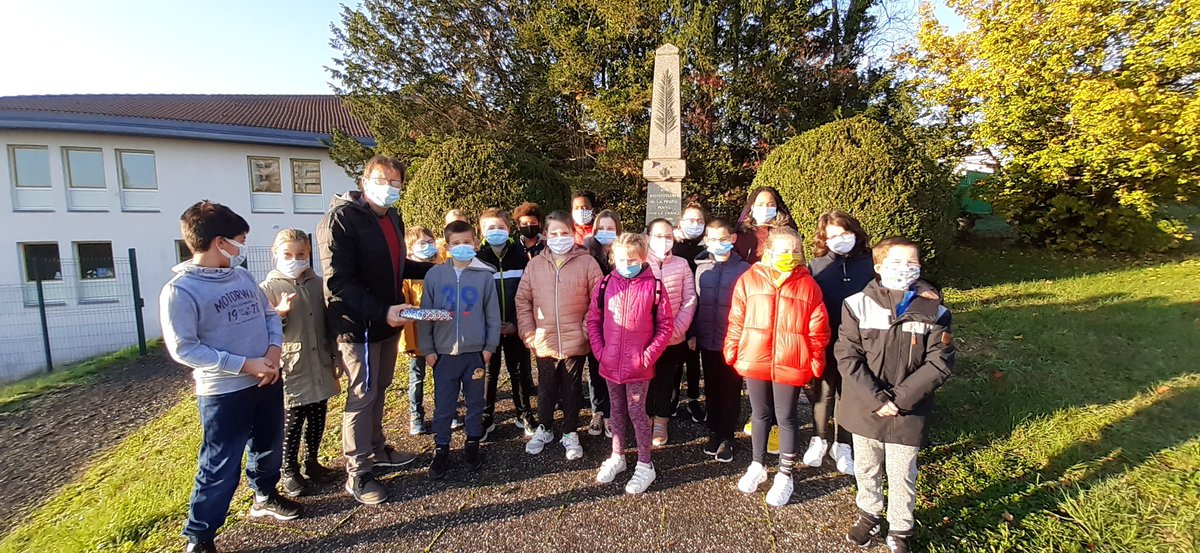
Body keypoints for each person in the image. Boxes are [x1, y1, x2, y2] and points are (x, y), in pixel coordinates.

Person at [161, 201, 300, 553]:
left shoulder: (241, 276)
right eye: (240, 239)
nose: (242, 246)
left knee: (269, 448)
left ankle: (265, 496)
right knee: (220, 465)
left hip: (267, 379)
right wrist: (244, 365)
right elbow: (184, 348)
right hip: (224, 392)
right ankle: (200, 536)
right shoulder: (180, 290)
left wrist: (271, 352)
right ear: (220, 242)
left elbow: (269, 316)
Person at [316, 155, 431, 505]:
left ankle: (377, 448)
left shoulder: (392, 216)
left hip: (388, 320)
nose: (389, 188)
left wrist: (438, 269)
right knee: (362, 395)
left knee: (380, 388)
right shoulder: (340, 220)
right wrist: (381, 311)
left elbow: (396, 266)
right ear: (364, 181)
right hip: (358, 325)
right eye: (382, 180)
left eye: (396, 183)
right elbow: (338, 282)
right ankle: (358, 472)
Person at [838, 237, 954, 553]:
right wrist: (878, 398)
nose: (904, 268)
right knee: (866, 466)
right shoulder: (856, 305)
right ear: (878, 267)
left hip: (908, 410)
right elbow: (848, 356)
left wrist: (900, 399)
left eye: (911, 262)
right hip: (866, 407)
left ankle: (901, 529)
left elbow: (939, 362)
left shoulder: (935, 312)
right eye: (896, 262)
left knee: (902, 473)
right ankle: (869, 515)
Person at [726, 227, 830, 507]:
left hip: (791, 360)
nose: (788, 255)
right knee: (758, 414)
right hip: (756, 357)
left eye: (794, 251)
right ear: (768, 250)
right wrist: (732, 349)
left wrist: (815, 358)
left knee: (786, 417)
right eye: (782, 250)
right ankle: (757, 465)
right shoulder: (749, 279)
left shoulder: (808, 285)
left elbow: (818, 328)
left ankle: (785, 473)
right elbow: (737, 317)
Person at [586, 233, 674, 494]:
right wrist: (601, 352)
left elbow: (665, 325)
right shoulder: (604, 285)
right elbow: (593, 321)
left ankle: (645, 464)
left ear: (643, 258)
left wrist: (646, 356)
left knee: (637, 414)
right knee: (616, 412)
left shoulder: (654, 287)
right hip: (610, 363)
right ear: (613, 258)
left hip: (638, 367)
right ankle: (618, 456)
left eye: (633, 259)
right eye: (622, 259)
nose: (627, 263)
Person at [516, 211, 604, 460]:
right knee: (546, 388)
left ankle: (569, 432)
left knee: (572, 389)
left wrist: (586, 330)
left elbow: (598, 300)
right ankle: (544, 428)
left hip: (575, 340)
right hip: (544, 341)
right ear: (546, 235)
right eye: (553, 233)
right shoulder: (535, 264)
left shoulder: (587, 263)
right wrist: (529, 333)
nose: (559, 238)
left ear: (572, 233)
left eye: (564, 233)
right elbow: (523, 300)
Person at [259, 229, 340, 498]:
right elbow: (261, 331)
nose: (295, 259)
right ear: (276, 256)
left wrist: (335, 354)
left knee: (318, 416)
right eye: (288, 255)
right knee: (293, 421)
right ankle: (288, 469)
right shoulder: (268, 289)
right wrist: (279, 313)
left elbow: (328, 322)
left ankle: (312, 461)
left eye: (301, 254)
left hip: (318, 361)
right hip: (291, 365)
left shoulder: (317, 283)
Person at [417, 220, 501, 479]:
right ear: (447, 246)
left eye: (467, 242)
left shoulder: (485, 276)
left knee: (476, 402)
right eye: (456, 244)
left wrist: (489, 347)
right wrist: (428, 349)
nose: (462, 247)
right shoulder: (434, 275)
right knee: (444, 405)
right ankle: (441, 449)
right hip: (442, 355)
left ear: (475, 243)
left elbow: (492, 315)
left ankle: (473, 443)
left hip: (474, 353)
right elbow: (425, 315)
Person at [803, 211, 873, 475]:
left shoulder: (870, 264)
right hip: (827, 338)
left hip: (860, 341)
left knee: (849, 392)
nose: (839, 239)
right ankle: (818, 438)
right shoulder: (817, 266)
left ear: (854, 232)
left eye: (844, 233)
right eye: (832, 235)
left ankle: (842, 444)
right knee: (824, 390)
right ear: (824, 239)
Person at [693, 218, 751, 463]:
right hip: (707, 338)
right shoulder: (702, 268)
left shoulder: (745, 270)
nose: (717, 244)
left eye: (723, 239)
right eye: (712, 239)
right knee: (712, 387)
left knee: (730, 388)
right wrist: (694, 334)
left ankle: (727, 436)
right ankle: (714, 430)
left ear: (732, 240)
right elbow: (696, 303)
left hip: (732, 340)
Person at [476, 208, 536, 437]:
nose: (496, 231)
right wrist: (489, 325)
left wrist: (515, 323)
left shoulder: (520, 256)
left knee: (519, 371)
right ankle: (486, 417)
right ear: (482, 231)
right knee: (489, 373)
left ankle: (524, 413)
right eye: (491, 228)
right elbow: (475, 299)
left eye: (501, 227)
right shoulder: (477, 259)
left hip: (515, 325)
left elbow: (527, 293)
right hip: (488, 329)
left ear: (509, 229)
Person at [644, 218, 697, 447]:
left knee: (667, 380)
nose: (663, 241)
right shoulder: (639, 262)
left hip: (674, 336)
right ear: (648, 238)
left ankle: (661, 421)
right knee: (645, 380)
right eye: (658, 236)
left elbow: (689, 299)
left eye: (668, 236)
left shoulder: (682, 264)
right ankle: (645, 418)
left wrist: (676, 328)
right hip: (645, 338)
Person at [581, 209, 622, 435]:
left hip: (617, 322)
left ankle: (611, 412)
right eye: (601, 229)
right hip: (595, 319)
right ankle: (598, 411)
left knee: (612, 368)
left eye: (610, 229)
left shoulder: (624, 254)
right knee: (595, 368)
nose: (605, 233)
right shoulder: (587, 254)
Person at [400, 226, 443, 435]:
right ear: (409, 248)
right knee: (417, 378)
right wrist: (430, 313)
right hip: (416, 338)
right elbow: (405, 310)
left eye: (430, 242)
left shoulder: (440, 268)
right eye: (421, 243)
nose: (427, 247)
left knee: (442, 376)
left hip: (441, 336)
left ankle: (445, 412)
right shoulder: (406, 277)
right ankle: (416, 416)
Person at [672, 200, 707, 422]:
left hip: (700, 310)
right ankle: (672, 399)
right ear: (681, 222)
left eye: (699, 221)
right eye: (690, 220)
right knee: (675, 360)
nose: (695, 224)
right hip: (677, 309)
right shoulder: (673, 246)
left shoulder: (707, 249)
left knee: (694, 360)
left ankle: (694, 399)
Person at [733, 186, 797, 264]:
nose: (765, 208)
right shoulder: (741, 236)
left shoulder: (787, 234)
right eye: (760, 205)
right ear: (752, 207)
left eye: (770, 205)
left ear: (777, 207)